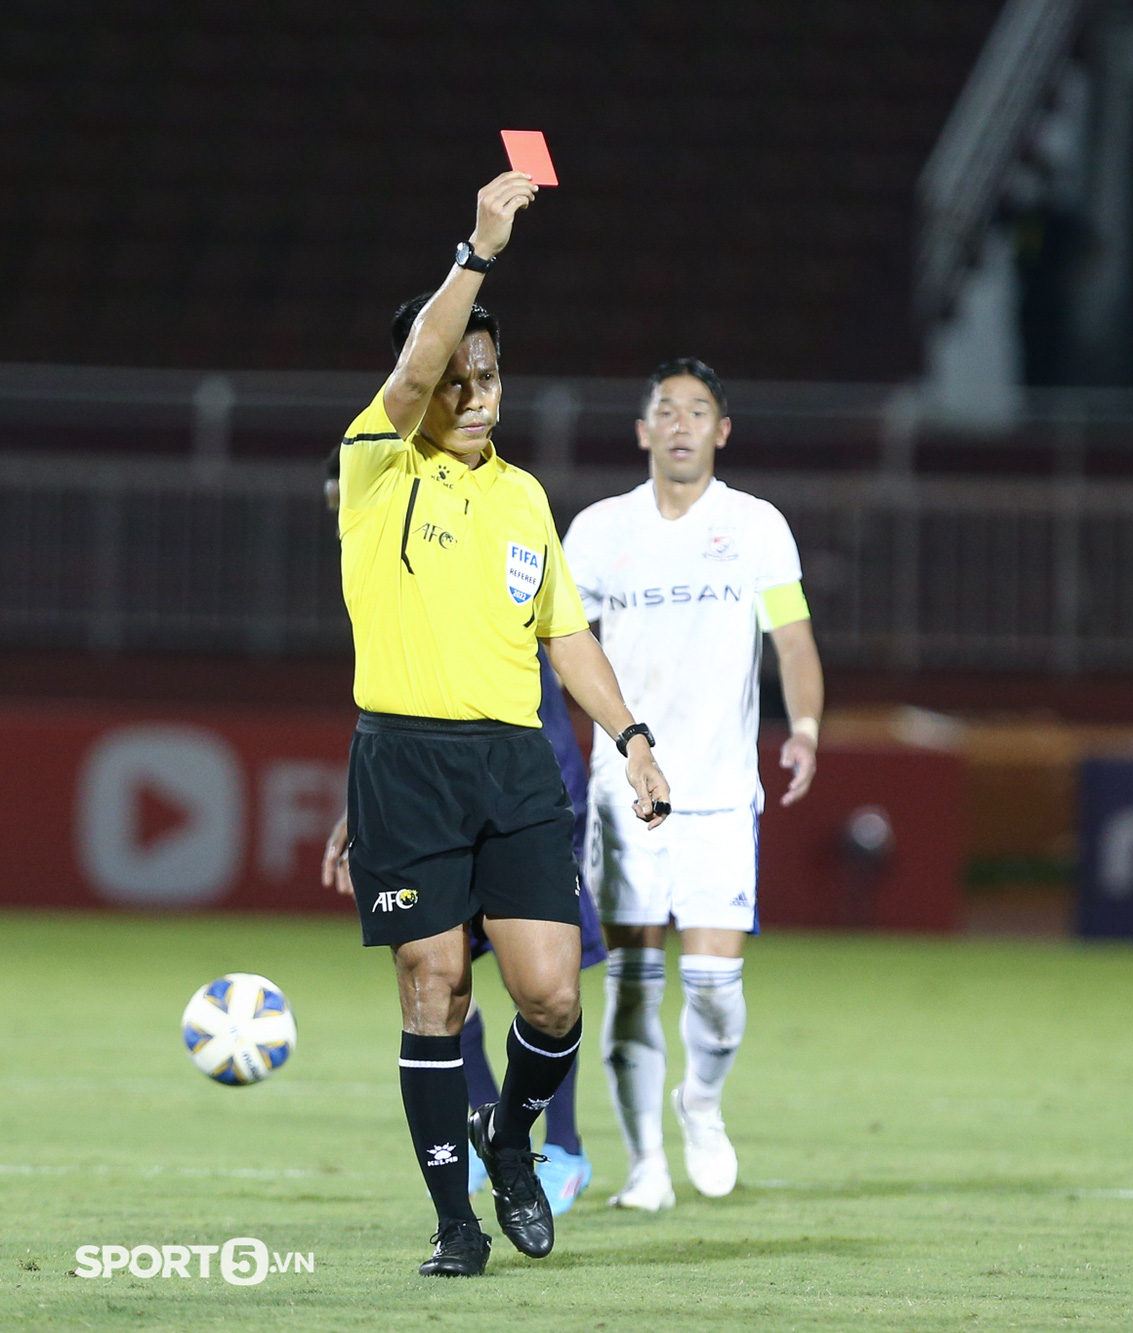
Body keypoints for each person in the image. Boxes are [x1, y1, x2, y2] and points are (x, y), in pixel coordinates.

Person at [334, 170, 671, 1277]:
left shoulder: (525, 497)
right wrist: (477, 250)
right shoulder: (378, 465)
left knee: (552, 994)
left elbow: (565, 639)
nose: (476, 392)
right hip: (406, 761)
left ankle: (510, 1137)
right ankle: (453, 1222)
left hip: (513, 763)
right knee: (434, 990)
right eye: (455, 376)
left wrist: (630, 738)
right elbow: (415, 365)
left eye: (490, 372)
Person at [563, 357, 823, 1210]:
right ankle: (646, 1164)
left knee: (715, 992)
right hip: (625, 789)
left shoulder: (755, 526)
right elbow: (564, 646)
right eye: (665, 410)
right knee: (634, 984)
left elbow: (791, 641)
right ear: (642, 431)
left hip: (716, 792)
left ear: (722, 430)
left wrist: (808, 727)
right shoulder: (599, 530)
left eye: (697, 410)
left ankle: (701, 1103)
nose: (680, 423)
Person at [322, 636, 608, 1216]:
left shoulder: (510, 564)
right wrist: (367, 804)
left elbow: (568, 651)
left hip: (527, 794)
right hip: (433, 794)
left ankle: (563, 1146)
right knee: (442, 980)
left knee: (546, 988)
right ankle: (485, 1128)